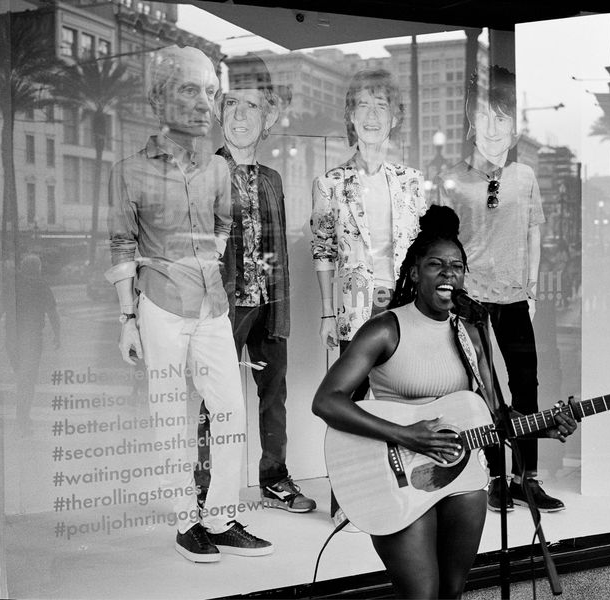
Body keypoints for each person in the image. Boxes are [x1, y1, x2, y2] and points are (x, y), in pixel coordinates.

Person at [312, 206, 576, 599]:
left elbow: (494, 413)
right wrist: (407, 435)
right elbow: (326, 401)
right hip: (394, 476)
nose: (448, 272)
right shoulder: (386, 328)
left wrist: (542, 425)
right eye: (436, 264)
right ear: (416, 272)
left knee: (452, 591)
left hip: (462, 479)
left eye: (456, 265)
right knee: (422, 594)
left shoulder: (471, 330)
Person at [106, 45, 272, 562]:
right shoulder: (130, 171)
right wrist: (127, 318)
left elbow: (223, 226)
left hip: (212, 304)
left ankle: (220, 517)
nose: (204, 103)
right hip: (158, 305)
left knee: (229, 409)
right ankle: (186, 523)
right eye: (188, 89)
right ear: (159, 100)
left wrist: (204, 265)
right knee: (167, 413)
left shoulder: (218, 170)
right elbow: (121, 244)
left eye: (209, 91)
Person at [436, 65, 561, 512]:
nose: (493, 128)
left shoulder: (525, 177)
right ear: (471, 121)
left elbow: (534, 234)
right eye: (485, 117)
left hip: (513, 298)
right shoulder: (452, 178)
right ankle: (492, 477)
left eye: (502, 118)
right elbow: (443, 244)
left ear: (514, 127)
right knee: (484, 389)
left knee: (526, 385)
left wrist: (530, 292)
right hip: (470, 300)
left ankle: (525, 477)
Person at [198, 52, 315, 513]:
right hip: (224, 308)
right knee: (216, 401)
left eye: (250, 106)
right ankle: (207, 485)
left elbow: (279, 251)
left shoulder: (272, 177)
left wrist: (281, 307)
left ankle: (274, 479)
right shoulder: (205, 173)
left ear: (268, 116)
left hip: (269, 303)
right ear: (219, 113)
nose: (240, 116)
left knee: (274, 398)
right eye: (231, 105)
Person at [310, 68, 427, 526]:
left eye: (382, 105)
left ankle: (401, 491)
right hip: (354, 308)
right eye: (363, 105)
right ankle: (346, 500)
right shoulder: (331, 183)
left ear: (394, 116)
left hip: (403, 309)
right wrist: (325, 312)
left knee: (399, 398)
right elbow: (323, 250)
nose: (373, 115)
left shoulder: (411, 180)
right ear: (350, 118)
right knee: (350, 402)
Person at [0, 253, 60, 434]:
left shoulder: (11, 285)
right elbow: (53, 313)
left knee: (22, 377)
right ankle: (22, 420)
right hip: (32, 340)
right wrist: (58, 335)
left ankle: (23, 417)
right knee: (28, 380)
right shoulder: (42, 286)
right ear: (38, 268)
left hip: (12, 339)